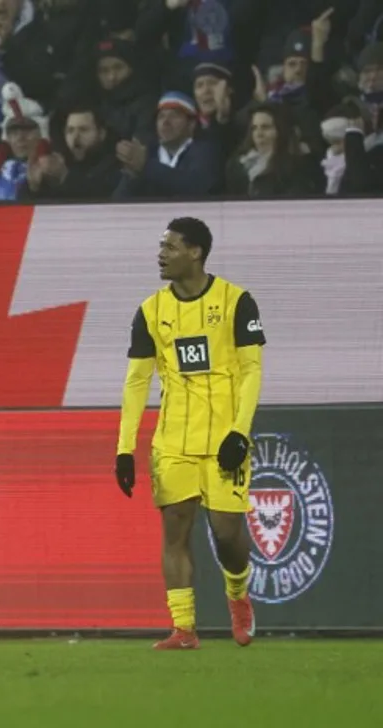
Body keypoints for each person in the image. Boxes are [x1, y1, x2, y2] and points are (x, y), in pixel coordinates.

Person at [114, 217, 266, 651]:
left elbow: (252, 371)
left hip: (224, 440)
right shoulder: (150, 311)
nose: (161, 254)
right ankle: (184, 629)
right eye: (161, 246)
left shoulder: (237, 302)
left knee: (226, 534)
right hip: (174, 441)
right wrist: (125, 448)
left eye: (171, 246)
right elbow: (136, 382)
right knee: (175, 529)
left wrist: (240, 432)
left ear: (195, 252)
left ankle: (238, 594)